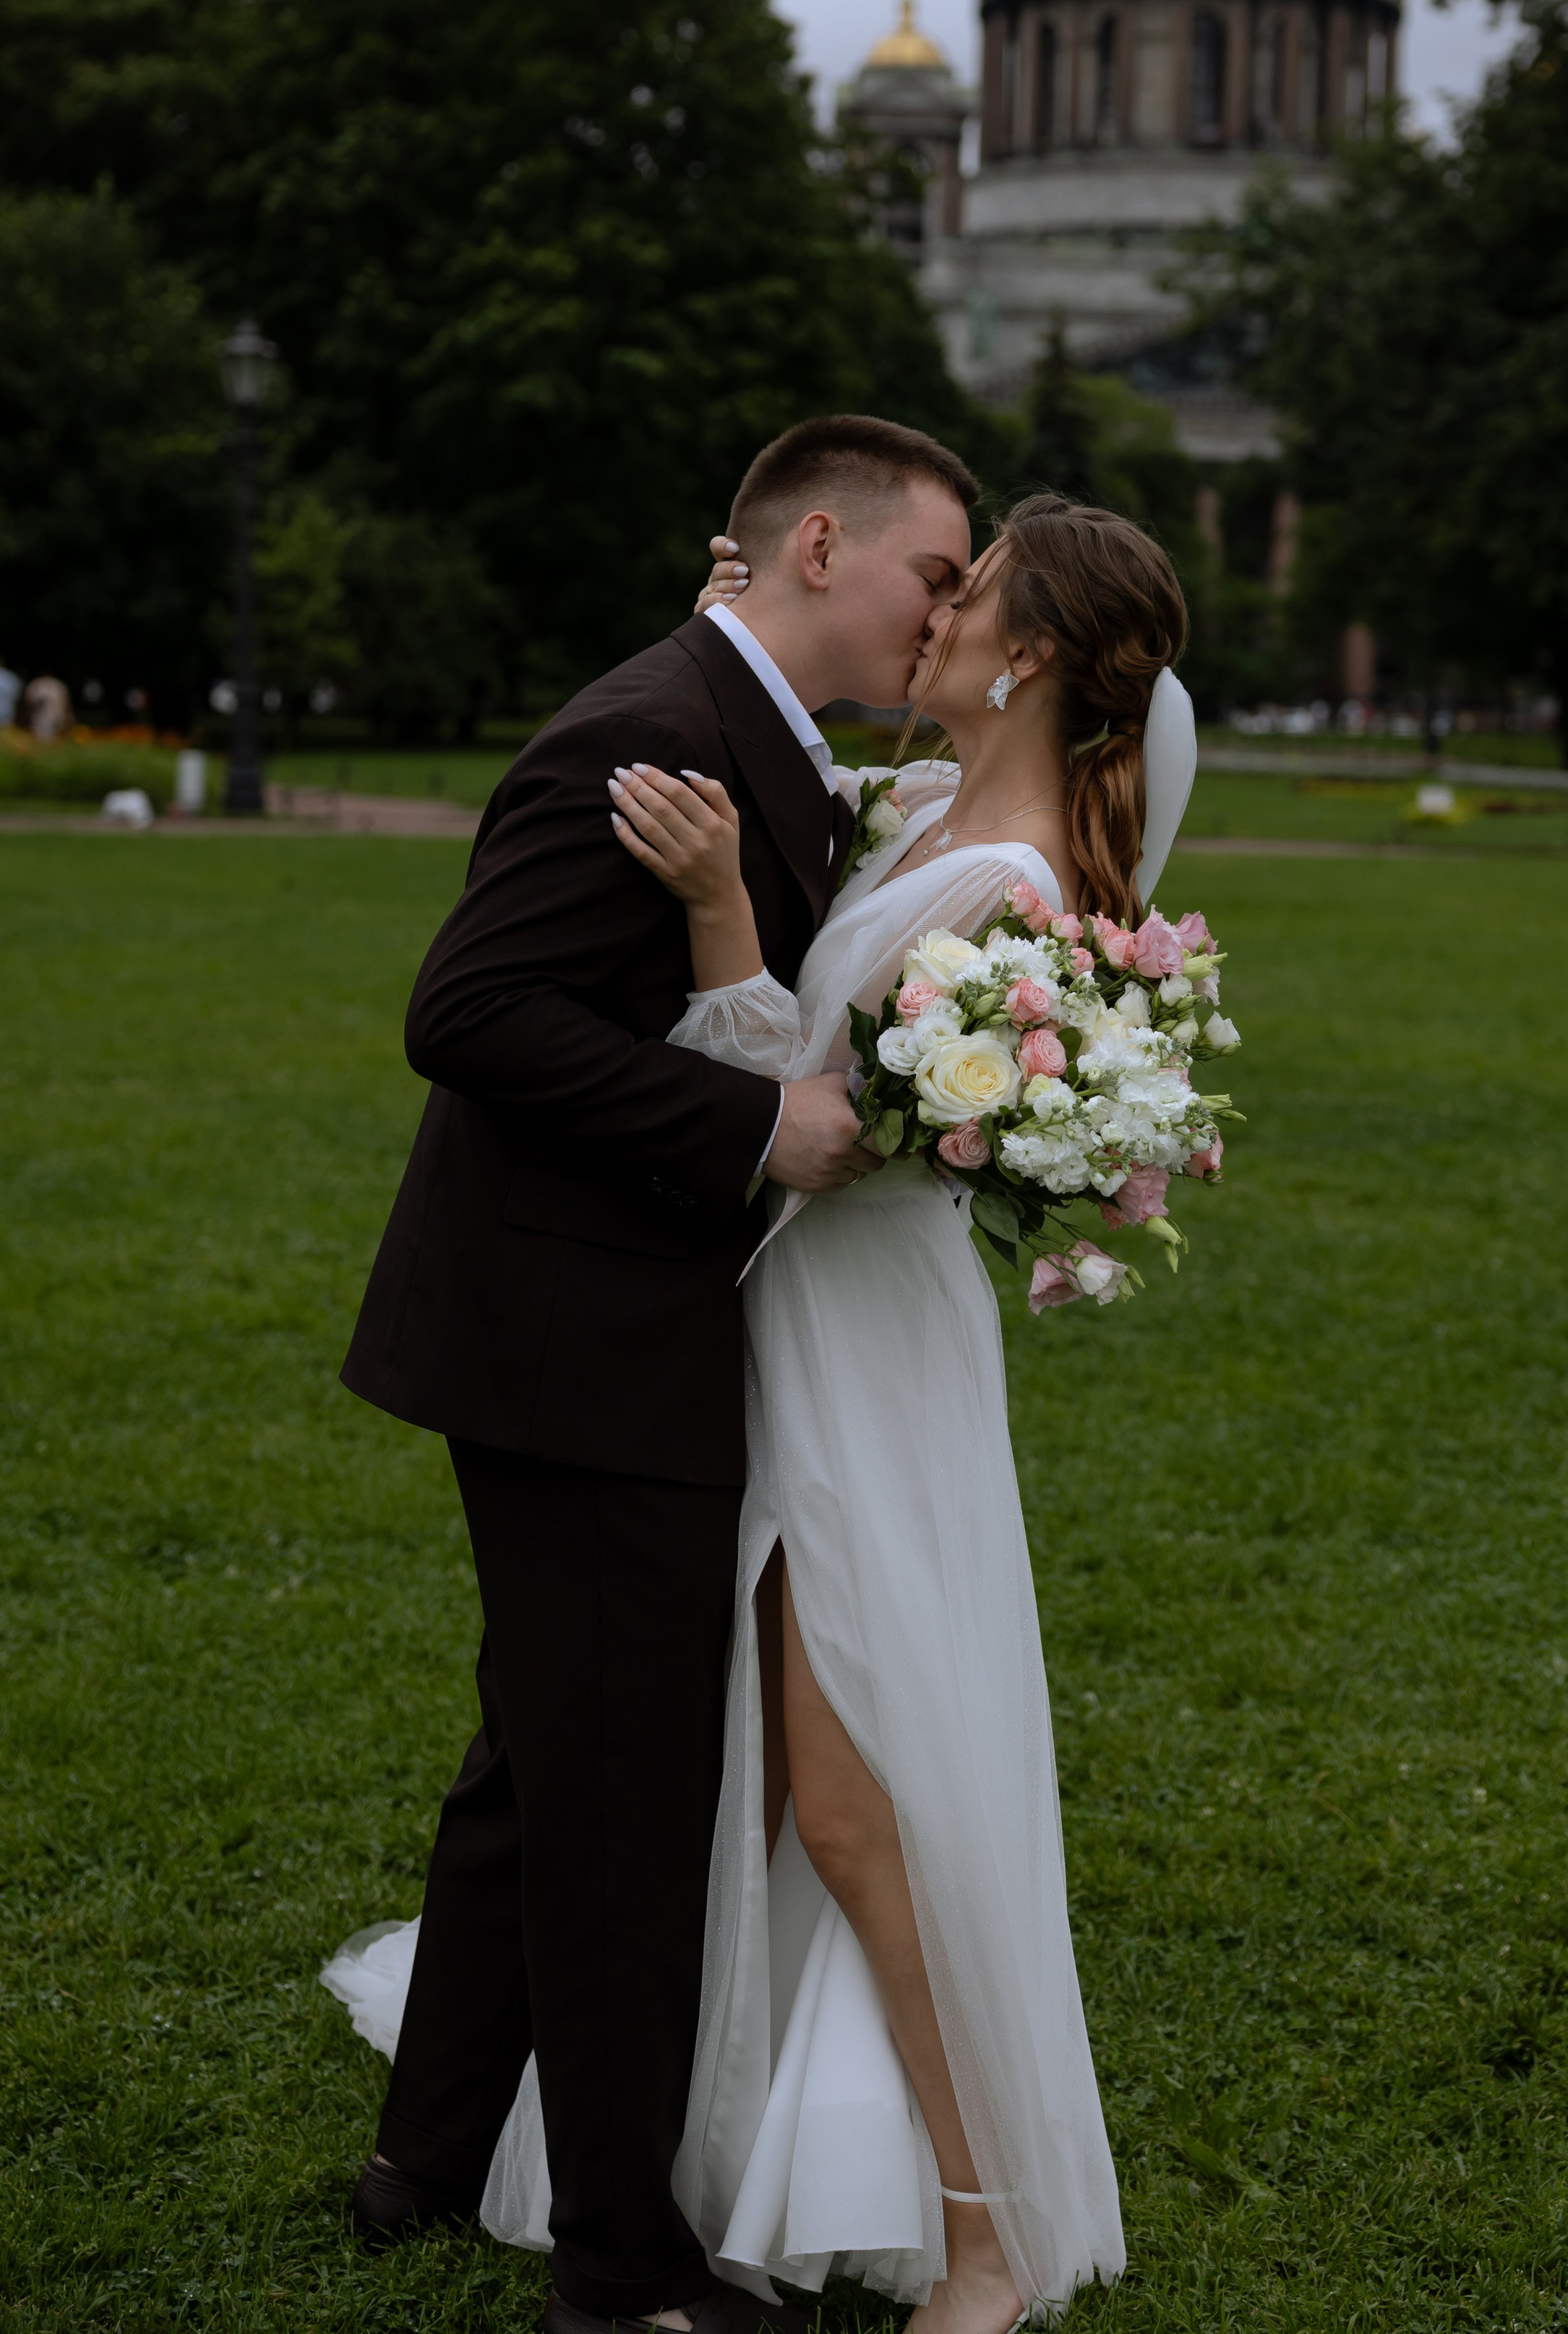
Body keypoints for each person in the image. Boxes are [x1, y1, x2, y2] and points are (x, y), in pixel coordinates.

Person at [330, 491, 1199, 2334]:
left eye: (968, 596)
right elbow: (791, 776)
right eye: (929, 576)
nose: (938, 616)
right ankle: (693, 2143)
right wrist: (729, 627)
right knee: (627, 1739)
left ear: (1027, 650)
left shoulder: (1004, 888)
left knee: (851, 1793)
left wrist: (721, 909)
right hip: (752, 1327)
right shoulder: (912, 813)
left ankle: (978, 2232)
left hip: (852, 1342)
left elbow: (810, 1124)